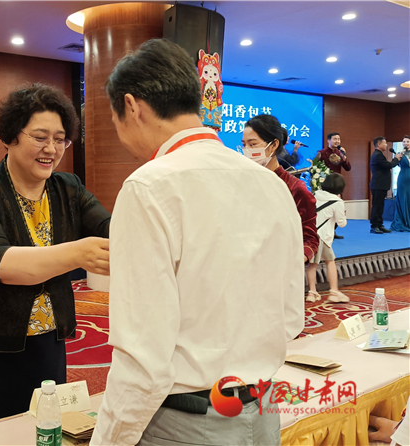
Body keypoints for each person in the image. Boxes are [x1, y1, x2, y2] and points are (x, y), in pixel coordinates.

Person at [90, 39, 304, 446]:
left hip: (187, 424)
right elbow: (292, 315)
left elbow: (142, 356)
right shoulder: (271, 184)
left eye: (115, 119)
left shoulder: (148, 186)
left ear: (132, 107)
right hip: (262, 411)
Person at [0, 84, 111, 431]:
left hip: (48, 341)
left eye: (60, 139)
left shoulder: (68, 188)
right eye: (40, 137)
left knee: (44, 430)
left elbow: (111, 229)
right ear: (11, 136)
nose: (51, 149)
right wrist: (78, 252)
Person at [242, 114, 319, 264]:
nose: (246, 150)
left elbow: (310, 239)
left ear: (273, 145)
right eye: (244, 145)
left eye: (252, 144)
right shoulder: (243, 182)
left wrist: (295, 260)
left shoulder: (295, 188)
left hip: (278, 267)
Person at [305, 173, 348, 303]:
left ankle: (312, 292)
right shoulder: (337, 202)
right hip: (323, 236)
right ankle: (334, 291)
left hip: (310, 233)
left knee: (312, 264)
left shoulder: (314, 194)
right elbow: (342, 223)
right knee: (330, 261)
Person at [370, 136, 403, 234]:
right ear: (379, 144)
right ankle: (374, 226)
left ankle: (380, 225)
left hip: (381, 185)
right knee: (377, 206)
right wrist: (396, 159)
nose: (386, 145)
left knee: (380, 206)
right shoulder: (377, 155)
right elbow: (389, 165)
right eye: (384, 143)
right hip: (378, 184)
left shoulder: (379, 154)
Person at [391, 136, 410, 232]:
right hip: (403, 177)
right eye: (404, 141)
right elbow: (394, 164)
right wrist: (399, 156)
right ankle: (402, 221)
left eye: (407, 141)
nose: (405, 143)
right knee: (402, 198)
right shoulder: (399, 153)